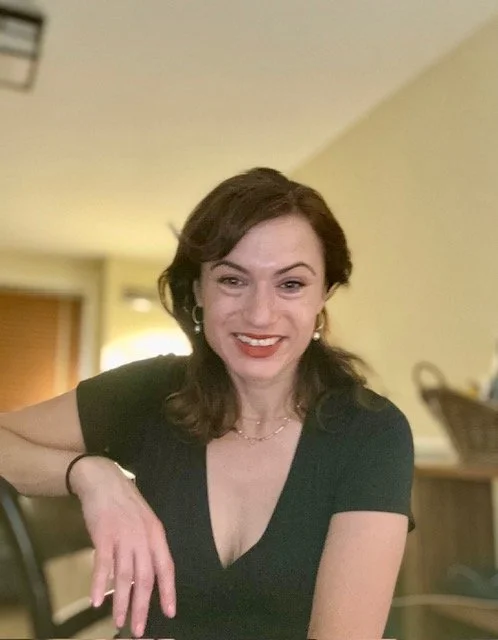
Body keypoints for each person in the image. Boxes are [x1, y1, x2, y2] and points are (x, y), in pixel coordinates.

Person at [0, 167, 414, 640]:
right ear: (198, 288)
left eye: (290, 284)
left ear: (324, 294)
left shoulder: (371, 434)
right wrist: (90, 475)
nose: (260, 314)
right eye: (233, 280)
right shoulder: (151, 392)